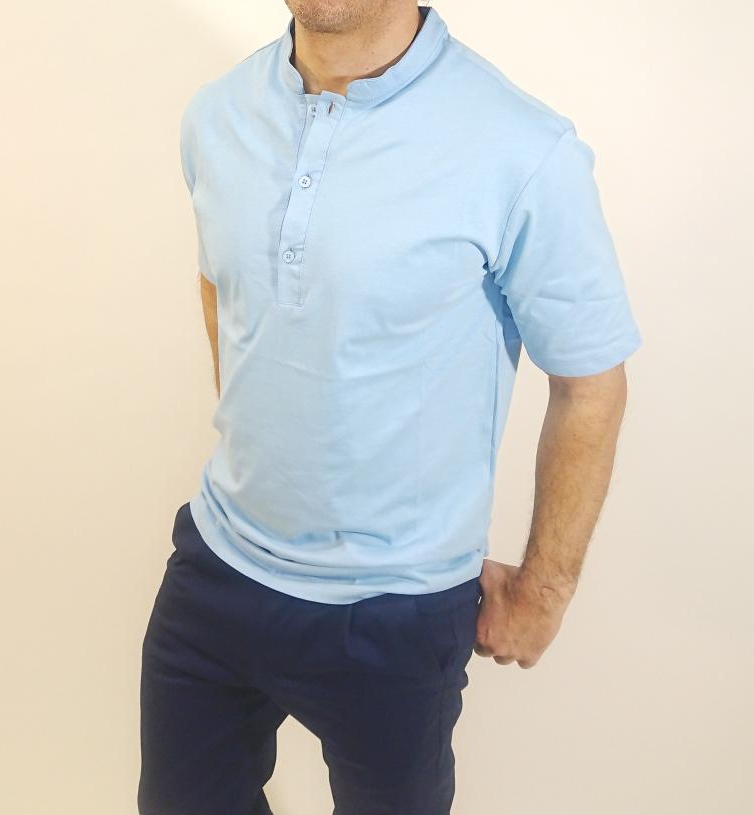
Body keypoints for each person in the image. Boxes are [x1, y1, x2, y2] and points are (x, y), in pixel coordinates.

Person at [138, 2, 643, 813]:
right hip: (217, 567)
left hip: (396, 611)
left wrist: (543, 592)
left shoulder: (522, 148)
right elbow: (220, 283)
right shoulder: (216, 114)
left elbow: (590, 384)